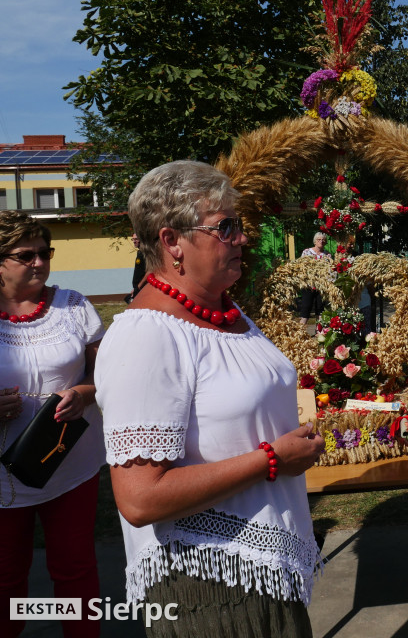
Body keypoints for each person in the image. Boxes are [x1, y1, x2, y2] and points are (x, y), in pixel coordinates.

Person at [94, 161, 325, 637]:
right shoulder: (146, 337)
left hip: (259, 569)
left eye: (239, 226)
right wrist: (271, 460)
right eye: (225, 228)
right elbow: (141, 499)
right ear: (171, 241)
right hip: (206, 584)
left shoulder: (225, 310)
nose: (242, 239)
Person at [0, 211, 105, 638]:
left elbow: (109, 371)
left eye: (45, 252)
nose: (40, 262)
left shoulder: (73, 305)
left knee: (75, 570)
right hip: (3, 478)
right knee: (5, 579)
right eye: (26, 255)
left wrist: (84, 393)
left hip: (69, 462)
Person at [297, 231, 332, 325]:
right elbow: (301, 267)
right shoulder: (307, 252)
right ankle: (300, 332)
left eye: (323, 240)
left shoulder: (327, 255)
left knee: (320, 308)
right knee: (306, 307)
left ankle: (319, 332)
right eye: (319, 239)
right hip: (309, 285)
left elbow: (330, 270)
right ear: (315, 241)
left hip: (321, 286)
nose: (321, 241)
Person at [125, 232, 147, 303]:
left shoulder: (146, 254)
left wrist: (139, 287)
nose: (134, 241)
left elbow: (150, 271)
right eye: (133, 239)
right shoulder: (139, 253)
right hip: (137, 288)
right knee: (127, 299)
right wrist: (135, 288)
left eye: (136, 239)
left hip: (143, 288)